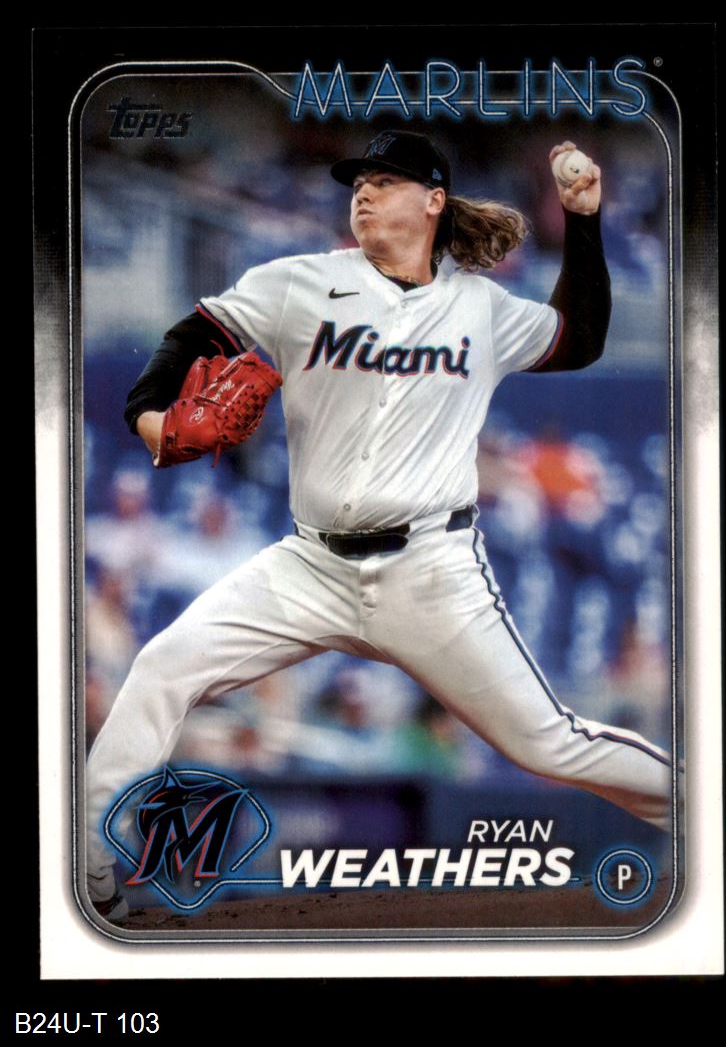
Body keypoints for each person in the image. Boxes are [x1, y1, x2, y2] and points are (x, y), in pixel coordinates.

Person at [86, 130, 673, 923]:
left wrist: (584, 220)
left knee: (549, 744)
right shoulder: (300, 282)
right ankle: (88, 865)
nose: (362, 191)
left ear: (433, 201)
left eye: (385, 180)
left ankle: (699, 812)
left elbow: (579, 337)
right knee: (163, 666)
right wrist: (148, 413)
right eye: (358, 180)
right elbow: (196, 334)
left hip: (431, 569)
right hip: (309, 565)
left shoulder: (479, 307)